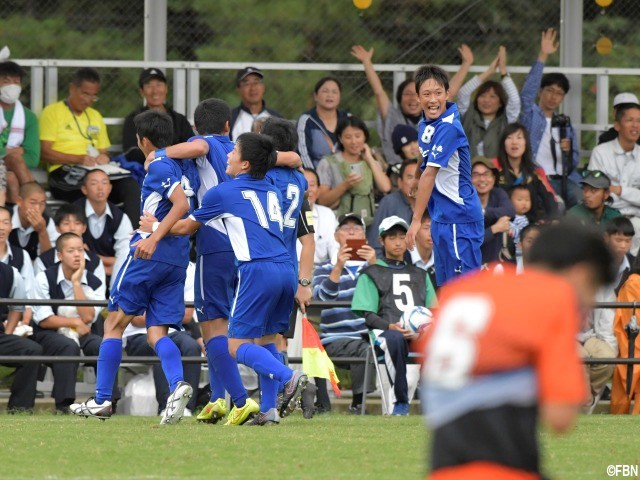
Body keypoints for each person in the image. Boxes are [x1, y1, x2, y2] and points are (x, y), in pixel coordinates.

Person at [422, 222, 614, 479]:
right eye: (592, 288)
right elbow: (560, 417)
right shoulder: (552, 298)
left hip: (442, 468)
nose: (590, 302)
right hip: (506, 467)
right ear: (581, 274)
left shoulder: (459, 291)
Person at [154, 133, 309, 426]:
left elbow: (187, 227)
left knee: (235, 345)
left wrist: (156, 226)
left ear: (246, 163)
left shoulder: (223, 192)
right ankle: (268, 410)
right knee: (265, 341)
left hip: (257, 270)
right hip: (287, 269)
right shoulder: (272, 186)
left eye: (234, 151)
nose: (228, 155)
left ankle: (290, 377)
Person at [70, 110, 197, 424]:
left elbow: (181, 204)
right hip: (177, 260)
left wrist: (154, 234)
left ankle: (102, 400)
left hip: (150, 256)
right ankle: (178, 385)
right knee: (156, 332)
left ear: (143, 140)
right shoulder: (186, 167)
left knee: (114, 325)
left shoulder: (159, 164)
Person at [405, 64, 483, 286]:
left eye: (438, 93)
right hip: (442, 216)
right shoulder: (425, 122)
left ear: (447, 94)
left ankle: (476, 322)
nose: (433, 100)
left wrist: (416, 220)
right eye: (427, 94)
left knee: (465, 286)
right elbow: (424, 150)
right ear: (418, 97)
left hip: (460, 216)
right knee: (447, 284)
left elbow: (430, 173)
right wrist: (416, 177)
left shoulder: (449, 127)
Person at [352, 215, 437, 415]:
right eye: (392, 237)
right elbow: (368, 315)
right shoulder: (370, 273)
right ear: (381, 240)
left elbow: (434, 312)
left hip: (418, 335)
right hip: (386, 333)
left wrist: (424, 331)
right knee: (395, 339)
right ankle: (400, 403)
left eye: (402, 237)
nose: (398, 242)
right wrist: (391, 326)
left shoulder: (420, 274)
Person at [38, 67, 141, 226]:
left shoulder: (95, 116)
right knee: (90, 189)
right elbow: (44, 152)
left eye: (93, 96)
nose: (88, 100)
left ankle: (133, 239)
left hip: (94, 171)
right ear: (73, 88)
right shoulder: (52, 112)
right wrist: (78, 159)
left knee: (130, 185)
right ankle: (86, 244)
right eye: (85, 94)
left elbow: (103, 152)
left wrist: (104, 157)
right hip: (64, 172)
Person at [350, 44, 470, 167]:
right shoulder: (392, 117)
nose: (412, 98)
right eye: (407, 94)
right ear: (399, 99)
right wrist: (366, 62)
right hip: (397, 173)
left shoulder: (432, 116)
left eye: (417, 94)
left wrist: (466, 64)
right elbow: (379, 92)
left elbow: (450, 93)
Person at [29, 233, 107, 414]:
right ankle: (64, 405)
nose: (77, 255)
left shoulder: (94, 281)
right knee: (68, 346)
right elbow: (45, 319)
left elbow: (88, 317)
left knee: (101, 346)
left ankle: (108, 401)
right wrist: (73, 321)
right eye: (71, 251)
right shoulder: (43, 278)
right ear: (60, 255)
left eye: (80, 250)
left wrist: (76, 284)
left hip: (84, 332)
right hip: (50, 333)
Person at [312, 213, 378, 414]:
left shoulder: (375, 267)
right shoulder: (324, 268)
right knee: (365, 349)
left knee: (380, 345)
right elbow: (321, 298)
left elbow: (385, 299)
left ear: (365, 237)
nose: (351, 230)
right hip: (334, 339)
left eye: (357, 228)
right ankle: (358, 404)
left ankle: (394, 405)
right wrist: (339, 266)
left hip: (368, 337)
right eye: (345, 227)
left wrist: (374, 266)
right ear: (335, 235)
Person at [519, 28, 581, 207]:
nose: (554, 97)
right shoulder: (530, 115)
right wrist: (543, 56)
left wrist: (568, 151)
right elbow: (526, 95)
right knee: (556, 207)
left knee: (582, 203)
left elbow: (574, 162)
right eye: (550, 91)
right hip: (540, 177)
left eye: (559, 93)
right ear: (540, 91)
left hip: (566, 179)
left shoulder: (564, 123)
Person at [316, 116, 391, 226]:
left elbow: (385, 187)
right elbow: (321, 200)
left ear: (365, 137)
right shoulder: (328, 163)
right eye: (348, 137)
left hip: (368, 222)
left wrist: (369, 159)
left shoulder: (371, 161)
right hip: (339, 225)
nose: (354, 141)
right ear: (340, 139)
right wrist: (345, 185)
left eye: (358, 136)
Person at [588, 102, 640, 253]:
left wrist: (619, 190)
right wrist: (633, 194)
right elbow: (596, 193)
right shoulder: (601, 152)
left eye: (639, 121)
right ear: (617, 125)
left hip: (636, 219)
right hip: (607, 218)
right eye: (630, 120)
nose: (635, 125)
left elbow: (608, 191)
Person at [457, 45, 521, 158]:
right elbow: (463, 93)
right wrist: (489, 71)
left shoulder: (507, 120)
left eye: (492, 97)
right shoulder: (468, 115)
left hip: (496, 173)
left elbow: (515, 100)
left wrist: (503, 72)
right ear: (476, 99)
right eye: (482, 96)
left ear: (501, 102)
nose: (487, 100)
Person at [122, 68, 194, 163]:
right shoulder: (133, 119)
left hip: (177, 169)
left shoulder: (179, 119)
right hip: (144, 170)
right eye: (149, 86)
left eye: (159, 85)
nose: (155, 91)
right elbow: (130, 152)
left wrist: (155, 153)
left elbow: (191, 147)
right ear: (141, 91)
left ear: (166, 88)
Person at [75, 169, 133, 284]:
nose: (100, 188)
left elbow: (125, 254)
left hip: (113, 274)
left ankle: (115, 295)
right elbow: (70, 250)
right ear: (84, 189)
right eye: (94, 183)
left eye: (104, 183)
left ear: (110, 188)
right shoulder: (74, 213)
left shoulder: (120, 217)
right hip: (80, 273)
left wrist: (93, 256)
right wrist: (108, 263)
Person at [0, 260, 43, 412]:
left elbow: (17, 307)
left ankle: (20, 408)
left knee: (32, 350)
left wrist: (8, 334)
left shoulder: (10, 273)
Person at [495, 122, 557, 223]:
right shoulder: (496, 172)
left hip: (531, 226)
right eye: (509, 138)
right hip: (503, 226)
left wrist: (553, 219)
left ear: (526, 143)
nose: (514, 142)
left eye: (519, 138)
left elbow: (548, 198)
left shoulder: (534, 173)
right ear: (503, 143)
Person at [34, 203, 105, 288]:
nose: (72, 228)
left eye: (77, 223)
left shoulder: (95, 262)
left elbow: (98, 298)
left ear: (84, 228)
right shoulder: (43, 261)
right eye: (66, 223)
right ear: (57, 228)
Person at [0, 59, 37, 203]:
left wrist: (5, 153)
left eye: (16, 82)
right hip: (10, 168)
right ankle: (37, 206)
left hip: (13, 169)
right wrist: (12, 151)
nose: (12, 86)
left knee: (12, 177)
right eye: (6, 81)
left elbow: (33, 159)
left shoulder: (29, 117)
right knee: (11, 176)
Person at [297, 76, 351, 169]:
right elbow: (303, 154)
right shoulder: (306, 120)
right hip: (317, 176)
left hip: (347, 176)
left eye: (334, 92)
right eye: (325, 91)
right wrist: (314, 177)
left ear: (340, 97)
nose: (330, 95)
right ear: (316, 96)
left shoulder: (349, 119)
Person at [367, 159, 417, 257]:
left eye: (419, 177)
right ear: (400, 182)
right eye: (410, 177)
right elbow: (375, 244)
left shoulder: (432, 203)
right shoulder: (389, 202)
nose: (415, 182)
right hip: (392, 265)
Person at [470, 156, 514, 264]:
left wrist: (484, 212)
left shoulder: (498, 193)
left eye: (486, 174)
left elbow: (510, 212)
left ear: (494, 178)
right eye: (476, 175)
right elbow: (470, 241)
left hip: (495, 260)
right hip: (471, 263)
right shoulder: (462, 201)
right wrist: (495, 228)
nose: (482, 179)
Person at [298, 167, 338, 265]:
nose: (308, 189)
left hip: (319, 271)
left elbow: (335, 246)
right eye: (303, 184)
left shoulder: (327, 214)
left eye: (312, 185)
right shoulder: (282, 213)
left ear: (319, 190)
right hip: (290, 271)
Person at [9, 182, 58, 260]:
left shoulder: (47, 222)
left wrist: (42, 232)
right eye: (33, 203)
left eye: (42, 203)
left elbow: (49, 261)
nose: (37, 209)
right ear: (19, 201)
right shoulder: (6, 218)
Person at [230, 67, 282, 140]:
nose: (253, 88)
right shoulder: (230, 118)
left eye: (256, 82)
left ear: (263, 87)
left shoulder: (276, 118)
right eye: (247, 83)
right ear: (238, 89)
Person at [0, 205, 35, 296]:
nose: (1, 227)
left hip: (14, 309)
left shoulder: (22, 256)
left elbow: (28, 296)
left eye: (5, 222)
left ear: (11, 226)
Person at [604, 217, 636, 294]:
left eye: (628, 241)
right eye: (618, 240)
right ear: (606, 238)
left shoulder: (635, 264)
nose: (623, 246)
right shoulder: (594, 262)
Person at [410, 210, 437, 291]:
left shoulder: (442, 261)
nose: (431, 233)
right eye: (426, 228)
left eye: (435, 228)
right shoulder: (403, 257)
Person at [509, 185, 532, 257]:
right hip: (514, 252)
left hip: (523, 252)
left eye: (527, 200)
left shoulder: (525, 218)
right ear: (509, 201)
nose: (524, 203)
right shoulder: (510, 217)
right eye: (520, 200)